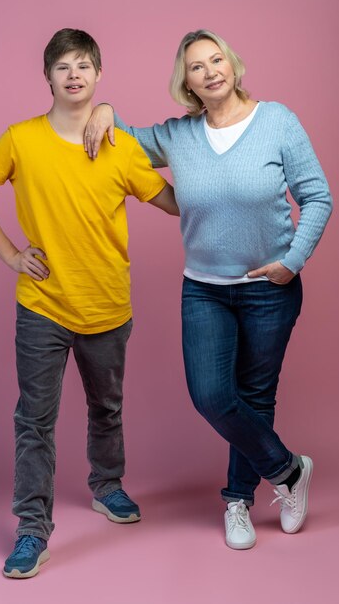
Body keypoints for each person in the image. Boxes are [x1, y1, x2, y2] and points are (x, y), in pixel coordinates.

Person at [84, 29, 332, 550]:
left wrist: (293, 261)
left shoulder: (278, 121)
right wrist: (103, 105)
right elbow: (121, 139)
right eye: (196, 67)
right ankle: (290, 472)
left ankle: (238, 500)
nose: (210, 71)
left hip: (270, 288)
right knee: (213, 396)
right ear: (187, 82)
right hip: (204, 290)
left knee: (256, 397)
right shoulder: (177, 135)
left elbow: (317, 196)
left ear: (233, 66)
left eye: (216, 59)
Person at [0, 28, 179, 578]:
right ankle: (32, 530)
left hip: (108, 304)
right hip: (43, 305)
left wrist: (216, 173)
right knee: (34, 420)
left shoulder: (120, 145)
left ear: (98, 74)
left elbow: (174, 203)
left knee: (106, 408)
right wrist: (12, 255)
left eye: (84, 65)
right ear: (49, 77)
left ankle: (107, 487)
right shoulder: (20, 139)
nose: (74, 74)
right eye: (63, 66)